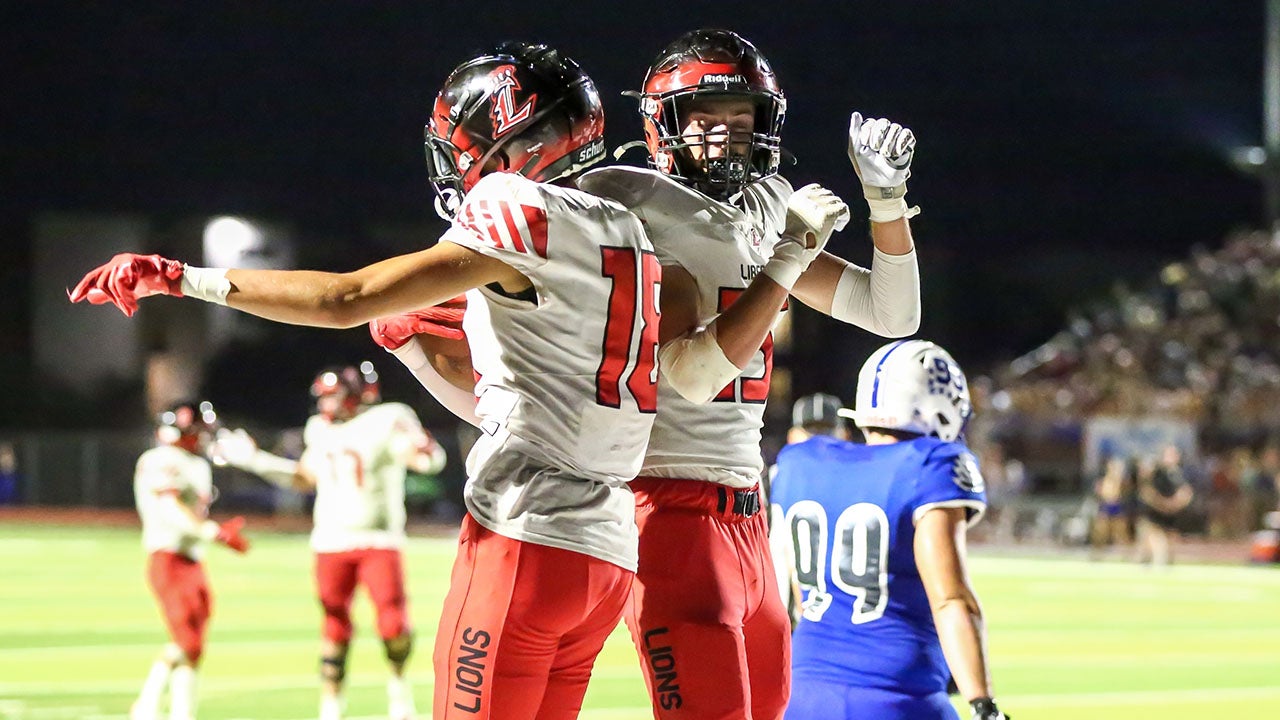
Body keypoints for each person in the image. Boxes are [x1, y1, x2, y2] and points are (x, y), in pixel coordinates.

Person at [72, 42, 662, 720]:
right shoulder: (625, 227)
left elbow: (344, 299)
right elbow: (513, 406)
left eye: (465, 141)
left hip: (525, 540)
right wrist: (414, 349)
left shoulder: (514, 205)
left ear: (507, 138)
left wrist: (183, 279)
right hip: (606, 553)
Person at [575, 28, 921, 720]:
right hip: (666, 505)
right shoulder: (629, 204)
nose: (731, 139)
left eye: (744, 122)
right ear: (662, 125)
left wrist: (886, 201)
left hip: (747, 513)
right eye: (709, 122)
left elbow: (891, 312)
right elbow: (692, 375)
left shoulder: (762, 209)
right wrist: (790, 252)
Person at [769, 340, 1009, 720]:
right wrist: (983, 704)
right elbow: (950, 599)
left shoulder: (800, 461)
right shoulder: (930, 465)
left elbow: (801, 597)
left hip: (802, 695)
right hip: (897, 697)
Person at [217, 364, 445, 720]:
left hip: (378, 538)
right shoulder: (319, 429)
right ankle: (331, 705)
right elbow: (305, 478)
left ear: (358, 395)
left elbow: (424, 458)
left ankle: (399, 691)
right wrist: (255, 460)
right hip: (331, 539)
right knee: (334, 624)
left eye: (334, 395)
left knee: (393, 624)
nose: (326, 404)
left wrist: (421, 454)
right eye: (323, 396)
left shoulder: (387, 418)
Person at [129, 401, 250, 720]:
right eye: (197, 430)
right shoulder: (161, 460)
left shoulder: (195, 463)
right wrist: (215, 533)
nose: (203, 437)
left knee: (194, 643)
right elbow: (169, 508)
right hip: (167, 556)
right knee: (186, 639)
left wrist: (211, 535)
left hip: (192, 559)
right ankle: (146, 705)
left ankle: (183, 712)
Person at [1135, 444, 1194, 566]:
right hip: (1154, 512)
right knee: (1152, 538)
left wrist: (1175, 504)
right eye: (1169, 454)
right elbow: (1145, 490)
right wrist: (1161, 503)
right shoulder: (1155, 472)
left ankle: (1162, 563)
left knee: (1170, 544)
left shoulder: (1179, 474)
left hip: (1171, 515)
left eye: (1174, 455)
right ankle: (1147, 561)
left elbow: (1187, 493)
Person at [1089, 455, 1132, 557]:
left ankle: (1125, 554)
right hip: (1105, 506)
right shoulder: (1103, 481)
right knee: (1100, 531)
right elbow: (1099, 495)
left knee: (1120, 532)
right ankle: (1097, 553)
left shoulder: (1122, 481)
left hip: (1117, 506)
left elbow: (1126, 493)